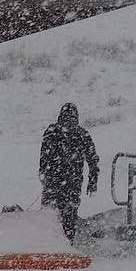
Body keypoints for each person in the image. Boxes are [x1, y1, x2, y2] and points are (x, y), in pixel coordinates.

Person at [38, 103, 99, 242]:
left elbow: (43, 157)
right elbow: (93, 160)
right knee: (65, 217)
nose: (68, 123)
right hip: (68, 183)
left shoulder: (52, 132)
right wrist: (93, 180)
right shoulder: (81, 135)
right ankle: (63, 243)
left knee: (51, 215)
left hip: (58, 183)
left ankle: (52, 243)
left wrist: (43, 174)